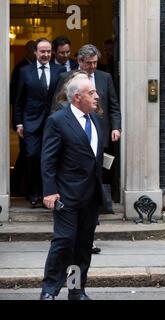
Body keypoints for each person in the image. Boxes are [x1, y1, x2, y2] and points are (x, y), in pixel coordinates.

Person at [39, 76, 103, 300]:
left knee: (83, 246)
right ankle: (49, 290)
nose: (97, 97)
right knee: (64, 241)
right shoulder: (57, 120)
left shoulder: (95, 120)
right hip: (66, 194)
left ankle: (76, 290)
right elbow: (48, 159)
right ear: (77, 97)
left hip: (90, 196)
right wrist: (49, 190)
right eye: (92, 93)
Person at [55, 44, 121, 214]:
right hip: (74, 133)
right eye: (89, 63)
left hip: (99, 133)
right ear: (80, 61)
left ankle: (97, 206)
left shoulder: (105, 77)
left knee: (99, 170)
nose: (92, 66)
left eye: (95, 63)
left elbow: (113, 105)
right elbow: (57, 105)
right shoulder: (66, 77)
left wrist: (116, 127)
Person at [13, 38, 66, 207]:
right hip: (31, 122)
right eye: (42, 51)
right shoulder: (25, 71)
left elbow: (63, 98)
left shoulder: (60, 70)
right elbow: (18, 100)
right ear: (35, 52)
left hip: (53, 122)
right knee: (32, 156)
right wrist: (19, 123)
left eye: (48, 51)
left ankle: (47, 194)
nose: (45, 54)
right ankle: (33, 193)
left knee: (50, 158)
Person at [10, 40, 36, 197]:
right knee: (26, 153)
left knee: (26, 153)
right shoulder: (21, 68)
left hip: (32, 118)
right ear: (30, 51)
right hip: (26, 118)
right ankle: (17, 185)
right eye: (35, 50)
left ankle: (19, 185)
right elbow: (16, 97)